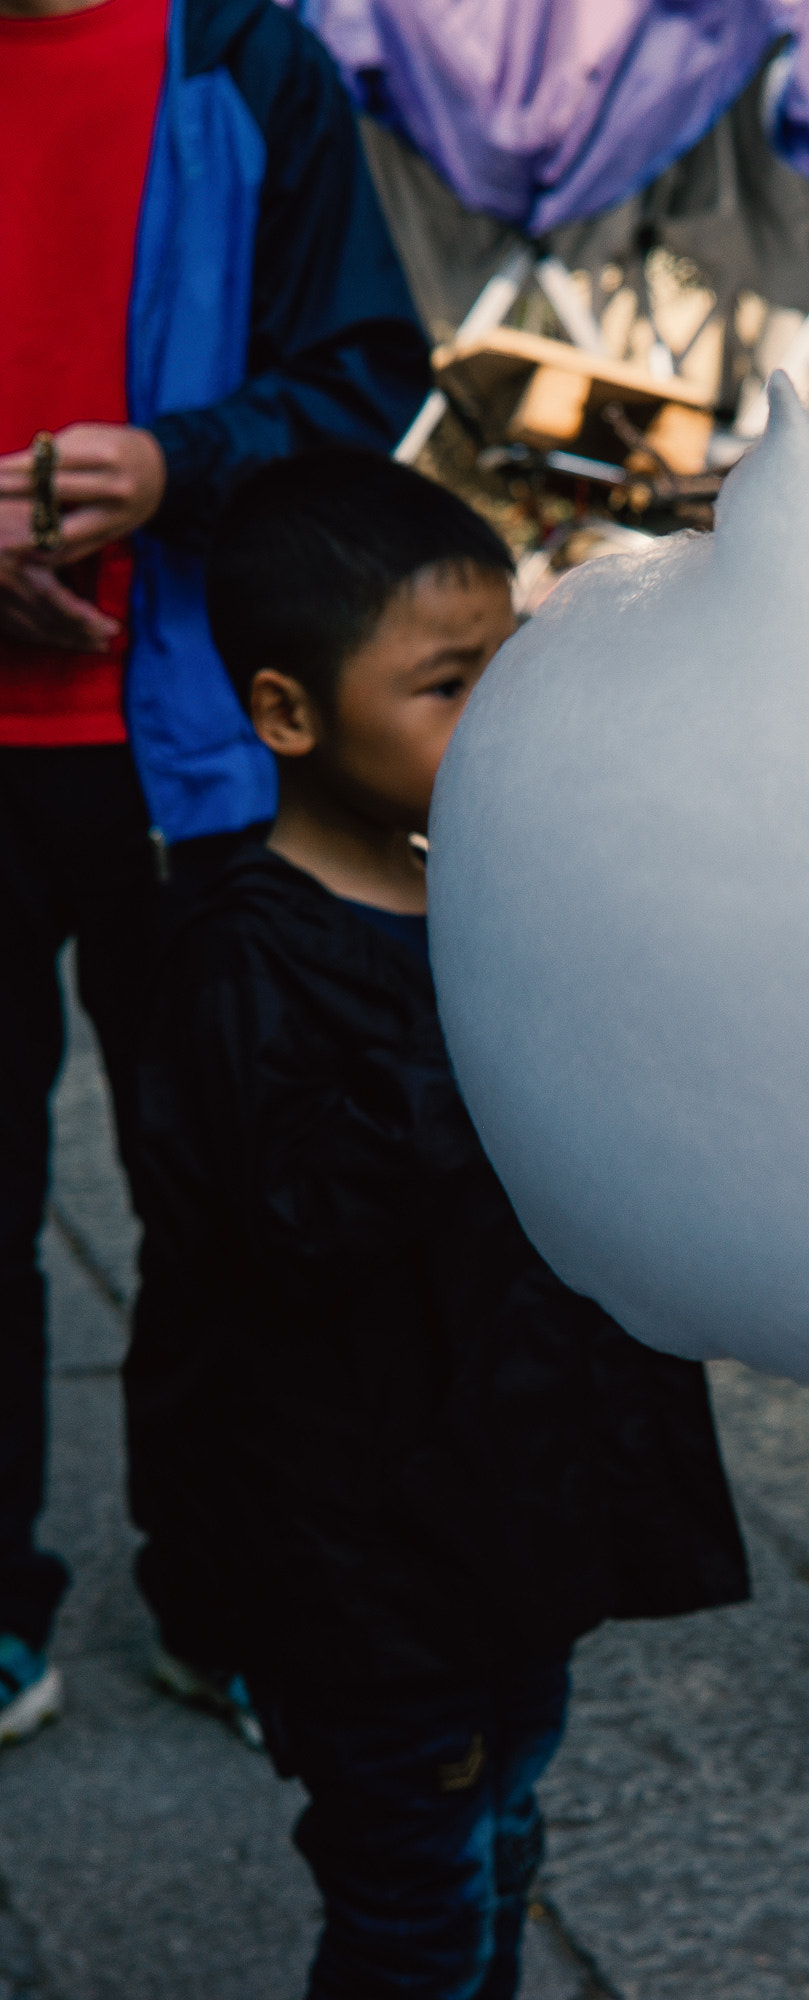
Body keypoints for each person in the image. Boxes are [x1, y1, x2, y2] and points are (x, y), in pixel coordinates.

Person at [121, 450, 750, 2000]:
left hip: (510, 1520)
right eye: (450, 686)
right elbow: (296, 1219)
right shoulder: (234, 965)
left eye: (510, 667)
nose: (504, 720)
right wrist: (507, 1018)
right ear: (287, 715)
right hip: (360, 1562)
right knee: (412, 1897)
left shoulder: (494, 888)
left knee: (503, 1834)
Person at [0, 0, 432, 1748]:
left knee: (232, 1196)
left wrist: (180, 462)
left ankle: (222, 1588)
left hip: (188, 744)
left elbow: (368, 365)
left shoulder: (243, 54)